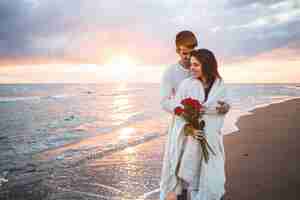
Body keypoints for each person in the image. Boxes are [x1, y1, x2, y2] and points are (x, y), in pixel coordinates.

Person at [160, 31, 229, 200]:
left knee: (200, 168)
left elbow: (216, 97)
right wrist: (184, 113)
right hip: (182, 123)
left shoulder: (201, 68)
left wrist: (224, 107)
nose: (189, 58)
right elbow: (164, 101)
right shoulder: (170, 72)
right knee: (177, 167)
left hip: (202, 126)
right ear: (177, 50)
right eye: (185, 53)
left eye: (192, 53)